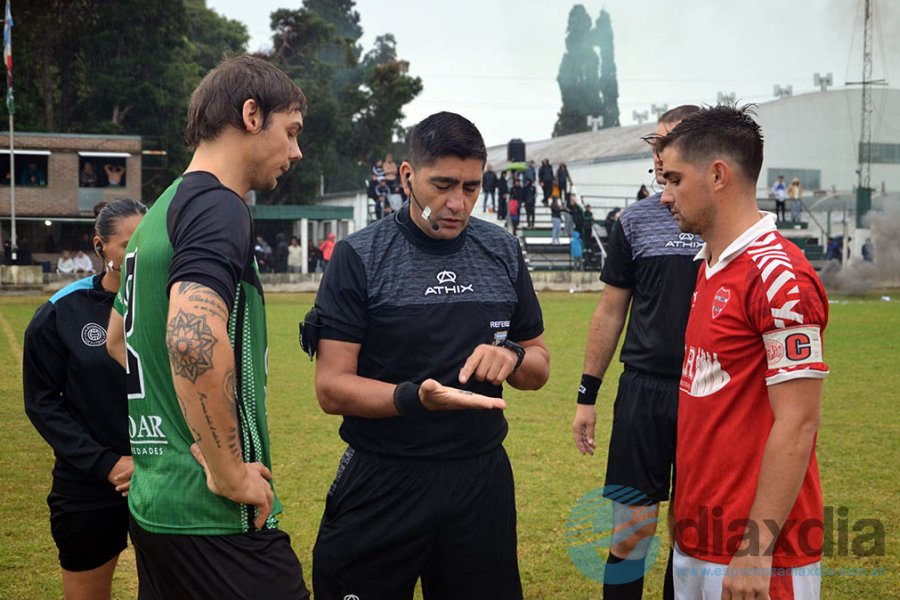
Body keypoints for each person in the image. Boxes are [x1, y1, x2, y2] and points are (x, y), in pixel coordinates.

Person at [310, 111, 550, 600]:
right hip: (385, 477)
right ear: (406, 176)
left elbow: (539, 361)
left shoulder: (501, 250)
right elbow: (331, 387)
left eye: (470, 187)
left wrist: (514, 359)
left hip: (479, 479)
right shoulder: (360, 256)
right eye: (442, 185)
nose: (457, 203)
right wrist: (414, 398)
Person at [104, 56, 310, 599]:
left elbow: (116, 337)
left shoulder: (159, 213)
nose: (296, 151)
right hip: (213, 514)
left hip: (155, 502)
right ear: (250, 114)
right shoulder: (219, 206)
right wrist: (227, 469)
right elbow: (190, 333)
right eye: (289, 132)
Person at [658, 105, 828, 599]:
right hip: (699, 539)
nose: (665, 195)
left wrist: (756, 549)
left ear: (717, 175)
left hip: (757, 554)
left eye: (674, 179)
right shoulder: (710, 265)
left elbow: (798, 423)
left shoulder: (780, 278)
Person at [572, 105, 702, 600]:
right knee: (631, 532)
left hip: (708, 392)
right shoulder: (634, 222)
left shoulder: (723, 223)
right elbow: (610, 312)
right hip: (643, 393)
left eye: (669, 144)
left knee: (692, 534)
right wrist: (588, 394)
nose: (659, 155)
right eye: (656, 146)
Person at [24, 198, 146, 600]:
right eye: (129, 244)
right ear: (100, 248)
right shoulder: (62, 312)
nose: (139, 254)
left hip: (161, 477)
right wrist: (105, 463)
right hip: (87, 484)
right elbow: (42, 402)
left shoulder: (170, 306)